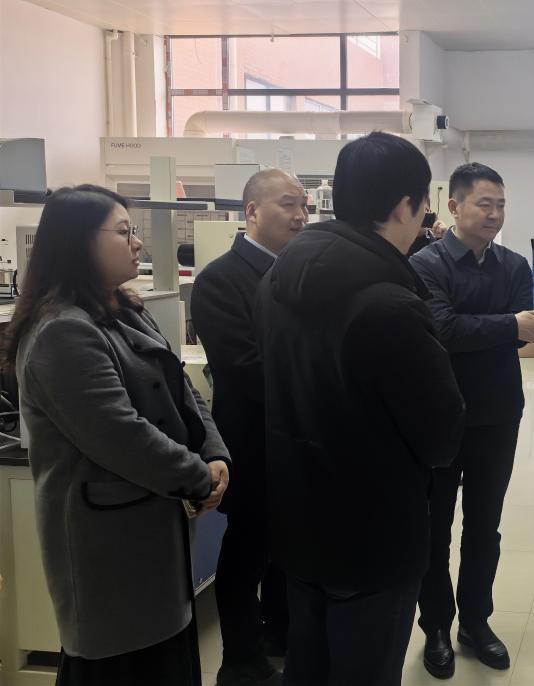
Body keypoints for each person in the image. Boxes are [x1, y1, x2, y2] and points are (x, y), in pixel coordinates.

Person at [256, 132, 466, 686]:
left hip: (299, 520)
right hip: (373, 537)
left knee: (308, 666)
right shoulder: (392, 304)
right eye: (423, 207)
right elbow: (441, 438)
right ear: (404, 206)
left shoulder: (275, 279)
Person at [5, 185, 230, 685]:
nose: (137, 243)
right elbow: (122, 436)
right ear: (79, 241)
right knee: (122, 666)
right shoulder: (62, 331)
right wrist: (198, 477)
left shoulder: (126, 308)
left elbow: (183, 389)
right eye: (124, 232)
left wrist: (214, 453)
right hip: (108, 549)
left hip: (155, 535)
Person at [410, 163, 534, 678]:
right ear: (454, 206)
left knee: (485, 527)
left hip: (498, 414)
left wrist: (493, 329)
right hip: (440, 415)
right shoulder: (425, 265)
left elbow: (526, 332)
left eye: (500, 205)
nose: (494, 214)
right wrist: (506, 325)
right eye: (484, 204)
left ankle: (475, 622)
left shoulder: (514, 265)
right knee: (434, 529)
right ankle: (436, 627)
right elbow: (440, 329)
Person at [191, 169, 308, 686]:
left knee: (289, 548)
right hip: (254, 440)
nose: (300, 215)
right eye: (288, 204)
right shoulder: (220, 280)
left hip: (299, 440)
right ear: (252, 212)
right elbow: (244, 368)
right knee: (246, 553)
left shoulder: (302, 272)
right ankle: (240, 658)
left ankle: (281, 634)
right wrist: (323, 385)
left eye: (304, 205)